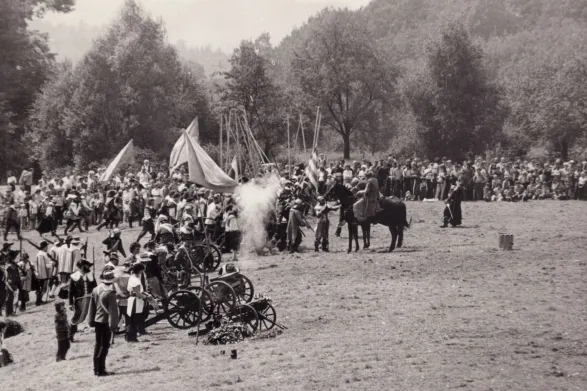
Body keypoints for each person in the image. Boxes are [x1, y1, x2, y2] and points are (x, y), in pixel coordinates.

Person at [87, 268, 119, 377]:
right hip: (106, 322)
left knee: (97, 345)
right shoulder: (111, 293)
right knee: (105, 346)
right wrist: (114, 327)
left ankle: (96, 369)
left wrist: (90, 321)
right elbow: (113, 313)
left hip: (97, 320)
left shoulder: (96, 289)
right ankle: (101, 369)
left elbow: (92, 307)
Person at [68, 258, 96, 342]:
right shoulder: (74, 277)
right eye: (86, 265)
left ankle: (99, 333)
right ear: (81, 266)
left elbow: (95, 287)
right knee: (78, 317)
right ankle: (70, 335)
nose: (88, 267)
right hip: (79, 299)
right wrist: (70, 303)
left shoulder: (90, 275)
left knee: (94, 316)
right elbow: (71, 291)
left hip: (91, 298)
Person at [126, 262, 148, 342]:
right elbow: (138, 294)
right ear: (140, 271)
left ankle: (130, 336)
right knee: (134, 320)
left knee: (131, 320)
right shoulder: (135, 280)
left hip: (133, 300)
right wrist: (146, 297)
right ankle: (132, 337)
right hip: (136, 301)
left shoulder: (132, 277)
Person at [33, 241, 52, 306]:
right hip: (43, 274)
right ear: (44, 247)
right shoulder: (41, 254)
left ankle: (39, 300)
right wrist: (45, 275)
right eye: (46, 246)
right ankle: (38, 301)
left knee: (44, 288)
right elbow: (41, 266)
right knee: (42, 288)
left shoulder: (43, 253)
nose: (47, 248)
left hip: (45, 273)